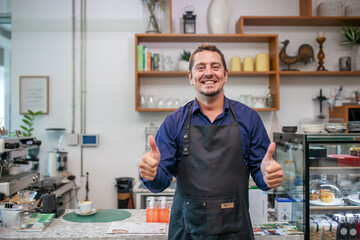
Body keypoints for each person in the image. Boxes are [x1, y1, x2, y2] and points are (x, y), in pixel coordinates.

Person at [139, 43, 283, 239]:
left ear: (225, 75)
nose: (209, 73)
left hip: (235, 231)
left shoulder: (249, 119)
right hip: (187, 232)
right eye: (200, 68)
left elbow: (262, 176)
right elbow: (158, 184)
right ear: (191, 77)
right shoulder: (174, 122)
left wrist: (268, 177)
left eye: (215, 67)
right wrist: (151, 174)